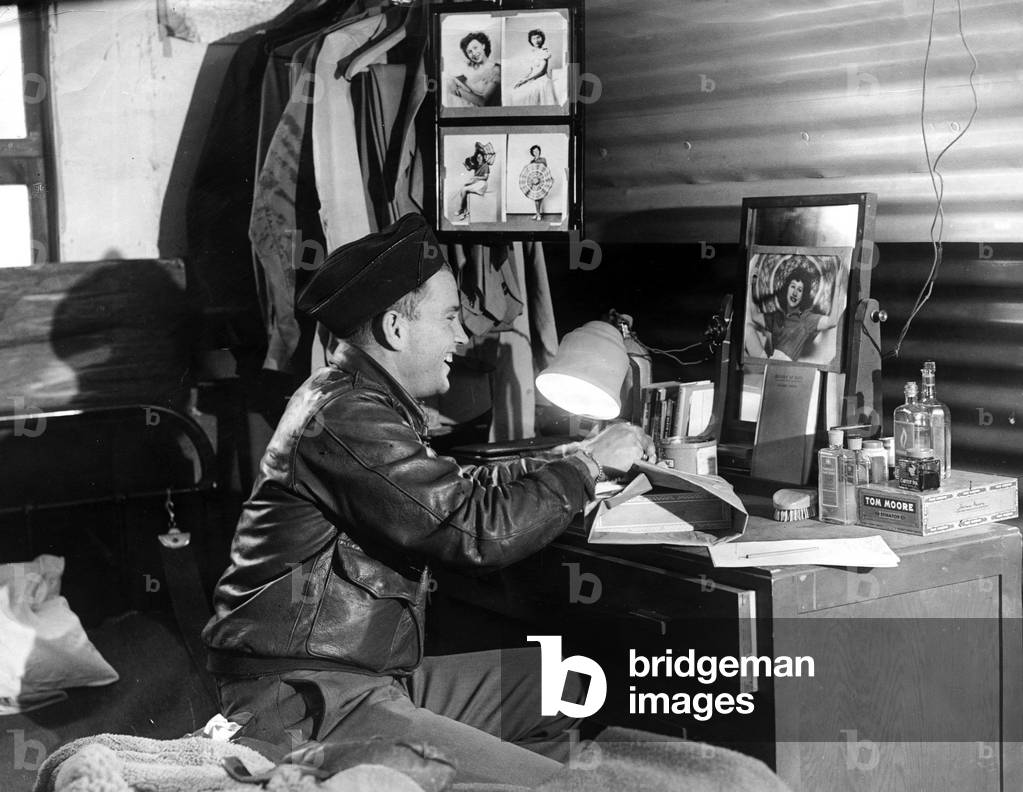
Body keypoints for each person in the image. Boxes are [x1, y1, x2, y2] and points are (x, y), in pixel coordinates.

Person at [202, 214, 654, 787]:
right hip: (312, 701)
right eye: (448, 320)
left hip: (365, 678)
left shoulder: (355, 398)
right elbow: (471, 529)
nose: (463, 339)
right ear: (395, 327)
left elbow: (446, 488)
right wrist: (586, 469)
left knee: (575, 682)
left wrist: (563, 458)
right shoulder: (348, 416)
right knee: (568, 780)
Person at [747, 264, 846, 362]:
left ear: (803, 295)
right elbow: (755, 316)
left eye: (799, 290)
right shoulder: (777, 316)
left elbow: (832, 322)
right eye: (793, 286)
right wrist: (752, 283)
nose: (795, 293)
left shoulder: (806, 319)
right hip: (769, 364)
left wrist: (837, 286)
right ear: (787, 288)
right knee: (748, 329)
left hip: (785, 369)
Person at [446, 31, 501, 108]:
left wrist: (457, 90)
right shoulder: (471, 67)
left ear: (483, 46)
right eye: (469, 52)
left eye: (475, 48)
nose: (474, 53)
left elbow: (484, 102)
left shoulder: (496, 69)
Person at [510, 29, 557, 106]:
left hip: (542, 79)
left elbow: (542, 71)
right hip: (532, 78)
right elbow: (531, 70)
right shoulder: (532, 53)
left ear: (542, 39)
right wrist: (522, 79)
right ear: (530, 40)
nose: (536, 40)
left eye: (538, 37)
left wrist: (526, 80)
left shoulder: (544, 52)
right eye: (533, 38)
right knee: (516, 92)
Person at [452, 141, 493, 222]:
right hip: (476, 183)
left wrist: (476, 178)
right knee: (463, 189)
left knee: (464, 189)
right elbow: (469, 168)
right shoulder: (477, 165)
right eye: (477, 157)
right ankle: (465, 211)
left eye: (480, 157)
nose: (479, 158)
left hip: (482, 184)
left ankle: (462, 210)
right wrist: (465, 165)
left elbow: (485, 178)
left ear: (483, 157)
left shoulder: (486, 165)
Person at [519, 144, 553, 221]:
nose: (536, 152)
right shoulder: (531, 161)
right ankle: (538, 213)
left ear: (539, 151)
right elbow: (530, 171)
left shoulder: (543, 159)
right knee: (536, 198)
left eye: (537, 151)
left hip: (541, 181)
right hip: (534, 182)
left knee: (539, 198)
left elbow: (545, 169)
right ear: (532, 153)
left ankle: (538, 214)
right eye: (534, 151)